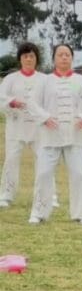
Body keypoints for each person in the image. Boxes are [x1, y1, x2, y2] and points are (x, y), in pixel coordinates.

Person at [29, 43, 82, 225]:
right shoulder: (44, 81)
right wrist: (44, 118)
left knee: (80, 174)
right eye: (60, 54)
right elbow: (32, 104)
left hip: (75, 136)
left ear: (72, 58)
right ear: (54, 59)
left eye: (67, 54)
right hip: (50, 136)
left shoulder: (81, 82)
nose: (64, 58)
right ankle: (39, 212)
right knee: (43, 173)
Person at [0, 42, 43, 208]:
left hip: (38, 129)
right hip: (16, 127)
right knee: (11, 160)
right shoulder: (11, 79)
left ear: (36, 59)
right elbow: (1, 97)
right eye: (25, 56)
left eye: (32, 56)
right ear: (20, 59)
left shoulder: (44, 79)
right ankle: (6, 194)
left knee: (44, 161)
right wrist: (12, 102)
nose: (29, 59)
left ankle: (48, 195)